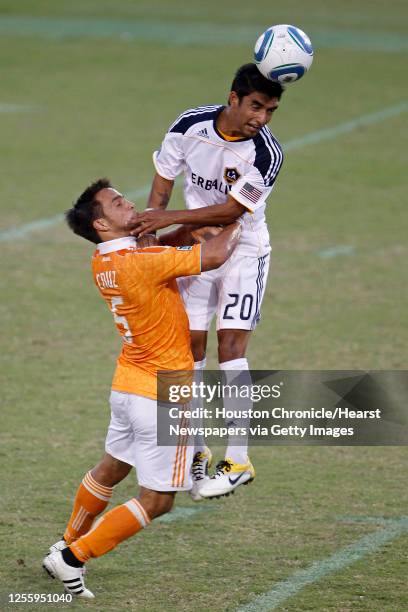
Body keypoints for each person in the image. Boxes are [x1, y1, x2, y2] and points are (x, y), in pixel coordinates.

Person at [42, 178, 241, 599]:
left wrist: (178, 230)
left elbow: (159, 249)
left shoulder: (105, 261)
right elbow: (218, 253)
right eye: (117, 203)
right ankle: (72, 558)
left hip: (128, 385)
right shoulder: (143, 261)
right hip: (163, 393)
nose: (129, 203)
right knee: (158, 501)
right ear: (101, 223)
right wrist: (243, 211)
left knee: (111, 469)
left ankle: (64, 541)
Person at [132, 63, 284, 499]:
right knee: (189, 348)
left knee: (230, 347)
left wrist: (172, 219)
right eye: (256, 106)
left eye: (271, 111)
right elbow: (162, 184)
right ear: (233, 98)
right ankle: (195, 451)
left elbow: (233, 212)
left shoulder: (266, 155)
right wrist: (149, 239)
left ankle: (238, 460)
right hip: (198, 254)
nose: (262, 118)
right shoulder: (189, 126)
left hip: (245, 251)